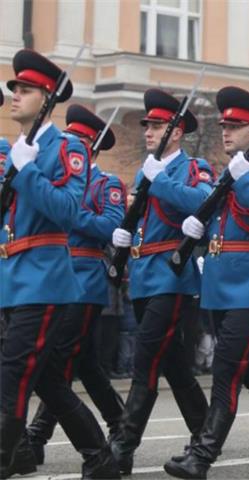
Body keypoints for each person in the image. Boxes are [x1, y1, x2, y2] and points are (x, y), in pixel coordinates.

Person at [163, 86, 249, 479]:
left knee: (225, 370)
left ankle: (202, 456)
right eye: (224, 125)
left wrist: (248, 180)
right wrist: (199, 230)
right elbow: (224, 224)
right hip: (221, 285)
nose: (225, 132)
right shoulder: (228, 174)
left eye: (235, 126)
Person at [1, 48, 119, 478]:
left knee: (12, 372)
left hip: (44, 278)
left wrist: (27, 172)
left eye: (26, 89)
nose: (15, 95)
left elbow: (69, 212)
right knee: (48, 379)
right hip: (11, 278)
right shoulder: (15, 149)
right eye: (14, 87)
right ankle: (97, 457)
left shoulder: (65, 149)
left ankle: (5, 455)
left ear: (48, 98)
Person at [110, 88, 213, 475]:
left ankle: (123, 447)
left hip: (173, 276)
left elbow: (203, 202)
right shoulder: (145, 169)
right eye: (147, 125)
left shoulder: (193, 167)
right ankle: (206, 436)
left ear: (175, 131)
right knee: (174, 366)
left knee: (145, 360)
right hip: (143, 274)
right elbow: (141, 217)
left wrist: (161, 182)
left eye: (155, 126)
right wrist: (125, 231)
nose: (148, 132)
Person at [26, 105, 126, 466]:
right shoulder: (55, 179)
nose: (69, 146)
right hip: (52, 273)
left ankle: (35, 437)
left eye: (78, 140)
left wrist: (69, 212)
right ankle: (120, 426)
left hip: (84, 277)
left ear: (91, 147)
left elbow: (111, 228)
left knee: (56, 359)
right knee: (84, 364)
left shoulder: (106, 184)